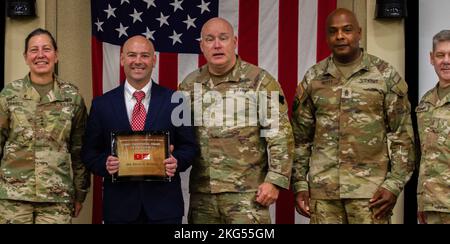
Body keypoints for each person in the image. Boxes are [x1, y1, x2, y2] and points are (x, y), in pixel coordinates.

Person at [291, 8, 415, 224]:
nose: (340, 36)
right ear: (327, 37)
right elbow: (301, 139)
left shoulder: (384, 75)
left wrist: (393, 185)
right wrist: (300, 183)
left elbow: (402, 136)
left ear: (358, 32)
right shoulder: (314, 78)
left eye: (347, 30)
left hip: (370, 194)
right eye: (333, 31)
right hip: (324, 192)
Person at [179, 17, 294, 224]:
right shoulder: (188, 85)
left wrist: (275, 181)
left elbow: (280, 134)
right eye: (210, 39)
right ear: (202, 46)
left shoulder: (261, 81)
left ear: (235, 41)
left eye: (223, 38)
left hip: (248, 195)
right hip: (203, 196)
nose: (217, 45)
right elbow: (178, 135)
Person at [82, 35, 197, 224]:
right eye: (131, 55)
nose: (137, 61)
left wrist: (177, 161)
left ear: (154, 60)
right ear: (122, 59)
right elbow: (89, 152)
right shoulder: (102, 104)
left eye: (144, 55)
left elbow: (190, 147)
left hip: (164, 209)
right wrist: (106, 164)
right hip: (119, 209)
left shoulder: (177, 101)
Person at [0, 28, 90, 224]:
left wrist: (80, 193)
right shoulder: (8, 95)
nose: (40, 55)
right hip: (13, 197)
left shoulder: (72, 97)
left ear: (56, 55)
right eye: (34, 50)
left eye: (46, 49)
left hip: (56, 197)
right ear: (26, 57)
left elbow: (80, 150)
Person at [416, 30, 450, 224]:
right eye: (440, 55)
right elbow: (425, 154)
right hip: (431, 205)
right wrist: (422, 201)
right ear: (431, 58)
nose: (446, 60)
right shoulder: (426, 102)